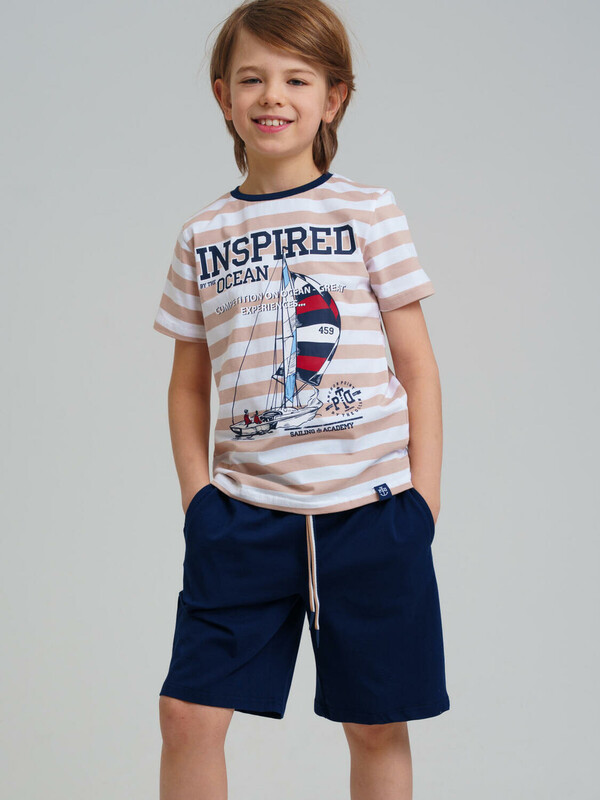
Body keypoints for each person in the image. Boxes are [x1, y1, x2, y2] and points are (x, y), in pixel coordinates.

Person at [153, 1, 449, 797]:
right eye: (251, 79)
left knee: (377, 723)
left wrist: (423, 500)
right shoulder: (202, 236)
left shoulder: (369, 212)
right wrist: (198, 499)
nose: (272, 96)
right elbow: (188, 384)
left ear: (333, 97)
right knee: (187, 714)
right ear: (224, 97)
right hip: (243, 519)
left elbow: (418, 366)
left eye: (296, 79)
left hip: (372, 513)